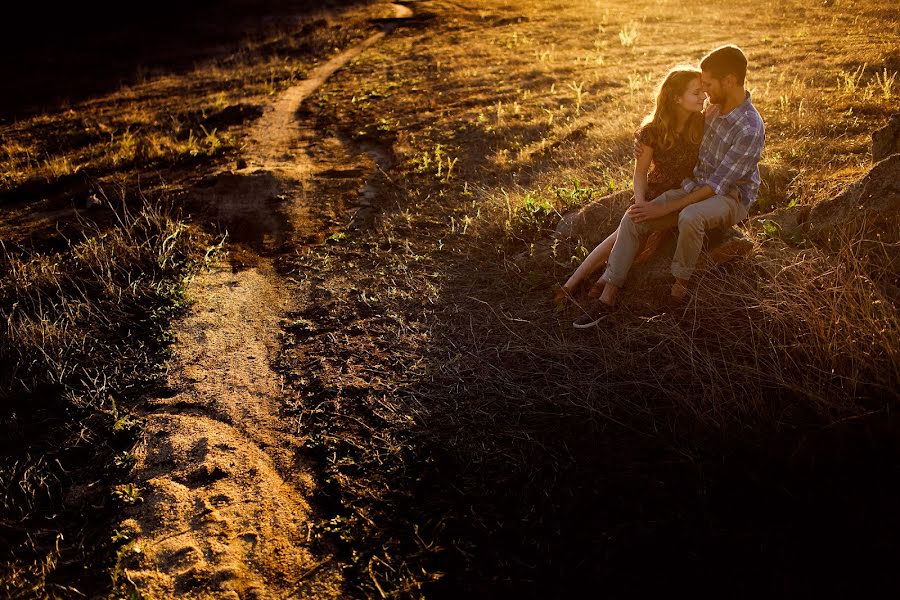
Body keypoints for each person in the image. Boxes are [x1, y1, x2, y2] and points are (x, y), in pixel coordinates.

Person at [573, 44, 765, 327]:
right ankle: (608, 296)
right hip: (693, 186)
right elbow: (673, 120)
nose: (706, 90)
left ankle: (678, 292)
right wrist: (646, 140)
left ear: (730, 81)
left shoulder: (749, 127)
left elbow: (716, 186)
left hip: (730, 197)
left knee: (690, 216)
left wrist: (668, 207)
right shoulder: (712, 107)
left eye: (709, 84)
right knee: (634, 218)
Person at [553, 65, 706, 310]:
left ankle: (592, 281)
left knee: (624, 233)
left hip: (684, 194)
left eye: (704, 91)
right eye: (696, 92)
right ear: (677, 98)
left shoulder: (702, 122)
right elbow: (640, 173)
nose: (704, 96)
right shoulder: (652, 131)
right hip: (654, 193)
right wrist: (640, 201)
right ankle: (574, 283)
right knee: (629, 222)